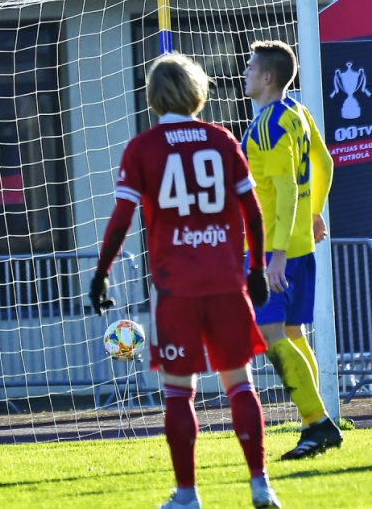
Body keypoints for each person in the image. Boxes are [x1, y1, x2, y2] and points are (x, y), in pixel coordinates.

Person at [87, 54, 281, 509]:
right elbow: (252, 212)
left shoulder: (143, 148)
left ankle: (189, 495)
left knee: (178, 390)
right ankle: (260, 485)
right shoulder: (221, 139)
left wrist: (101, 272)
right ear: (198, 91)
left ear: (153, 97)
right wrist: (254, 270)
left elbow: (121, 219)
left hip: (175, 287)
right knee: (240, 383)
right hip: (225, 281)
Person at [240, 39, 343, 459]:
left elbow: (284, 190)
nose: (245, 73)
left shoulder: (266, 127)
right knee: (293, 333)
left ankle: (318, 424)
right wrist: (315, 212)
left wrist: (276, 254)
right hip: (300, 244)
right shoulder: (297, 111)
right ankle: (313, 423)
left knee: (271, 335)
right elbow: (325, 162)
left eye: (250, 67)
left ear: (267, 77)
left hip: (273, 249)